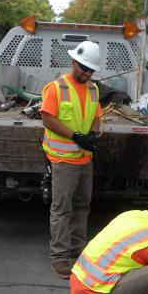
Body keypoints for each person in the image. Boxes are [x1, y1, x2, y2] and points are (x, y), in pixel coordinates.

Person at [40, 41, 103, 279]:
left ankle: (78, 250)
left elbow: (96, 116)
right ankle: (59, 257)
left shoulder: (93, 90)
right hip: (64, 160)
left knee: (82, 206)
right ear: (73, 62)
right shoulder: (56, 88)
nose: (87, 73)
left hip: (85, 159)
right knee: (61, 209)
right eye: (84, 68)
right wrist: (76, 136)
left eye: (91, 70)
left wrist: (93, 134)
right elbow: (48, 119)